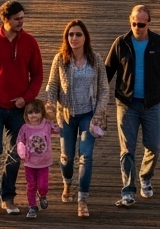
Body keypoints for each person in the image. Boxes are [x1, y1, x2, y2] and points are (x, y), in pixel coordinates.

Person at [0, 0, 44, 216]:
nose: (22, 22)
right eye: (17, 19)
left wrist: (27, 98)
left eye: (23, 18)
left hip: (18, 109)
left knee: (16, 153)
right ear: (5, 19)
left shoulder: (30, 42)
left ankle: (8, 197)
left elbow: (38, 74)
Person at [105, 5, 160, 208]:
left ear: (149, 22)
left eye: (142, 24)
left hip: (152, 104)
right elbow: (108, 70)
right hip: (126, 104)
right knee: (126, 149)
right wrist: (99, 97)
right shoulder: (121, 43)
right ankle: (128, 190)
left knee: (153, 145)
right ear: (130, 21)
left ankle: (145, 176)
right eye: (134, 23)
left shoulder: (159, 43)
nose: (137, 27)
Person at [44, 19, 110, 218]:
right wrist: (50, 109)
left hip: (89, 115)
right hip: (66, 115)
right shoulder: (60, 59)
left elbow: (104, 89)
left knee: (86, 155)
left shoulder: (96, 59)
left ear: (85, 37)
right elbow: (52, 86)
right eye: (70, 34)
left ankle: (82, 199)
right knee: (67, 157)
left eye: (78, 34)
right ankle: (67, 183)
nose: (74, 38)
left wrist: (98, 113)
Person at [16, 98, 60, 219]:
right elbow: (20, 140)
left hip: (44, 162)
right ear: (26, 114)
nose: (33, 115)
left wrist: (57, 118)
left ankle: (43, 195)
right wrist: (21, 149)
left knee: (42, 185)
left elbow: (58, 129)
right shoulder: (25, 128)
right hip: (29, 162)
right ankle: (32, 206)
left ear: (42, 113)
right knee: (31, 185)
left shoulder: (46, 124)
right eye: (30, 113)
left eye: (36, 112)